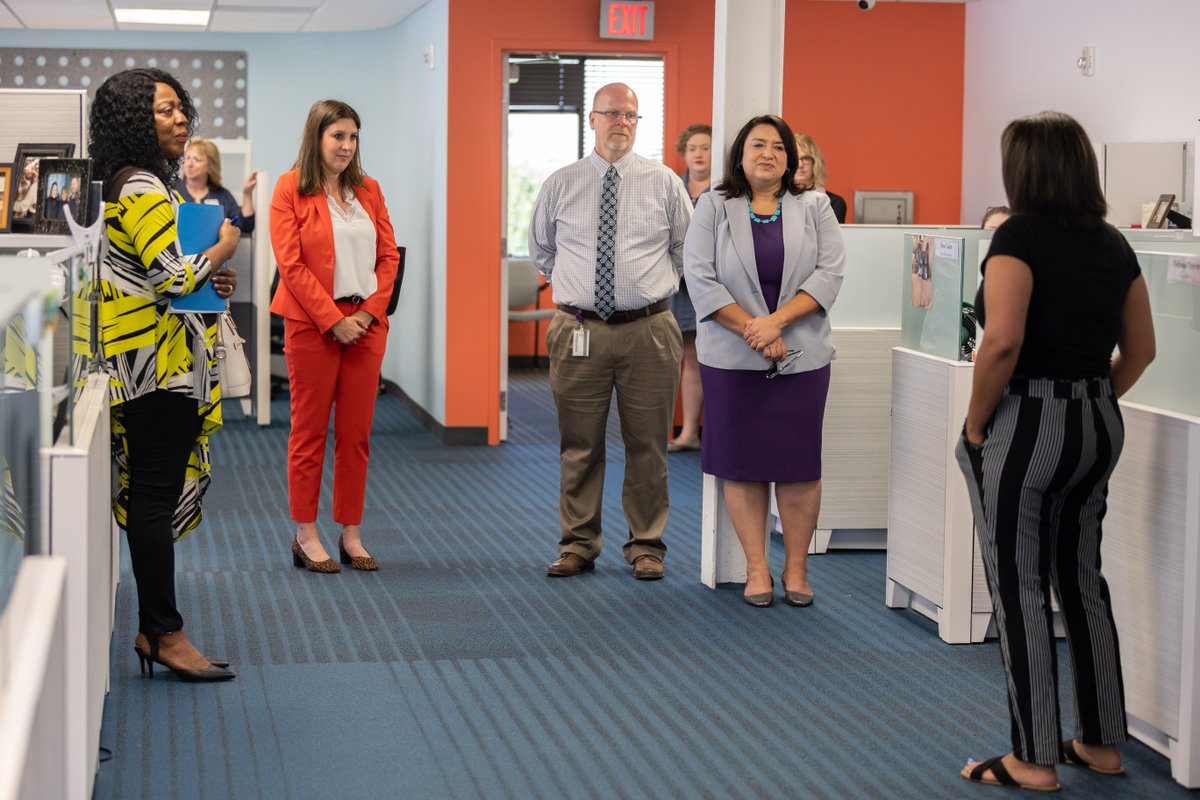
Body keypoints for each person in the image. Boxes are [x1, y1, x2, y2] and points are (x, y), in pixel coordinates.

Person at [956, 111, 1156, 791]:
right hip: (1099, 421)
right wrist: (1091, 398)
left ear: (1025, 169)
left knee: (1017, 586)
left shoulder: (1017, 237)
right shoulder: (1112, 243)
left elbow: (1002, 342)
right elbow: (1143, 350)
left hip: (1029, 420)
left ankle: (1032, 756)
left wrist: (977, 426)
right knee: (1081, 582)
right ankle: (1101, 742)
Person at [87, 67, 241, 682]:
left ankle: (160, 629)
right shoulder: (144, 186)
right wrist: (223, 251)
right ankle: (162, 633)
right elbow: (174, 278)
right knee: (153, 499)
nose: (181, 121)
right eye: (164, 111)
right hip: (158, 369)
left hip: (139, 362)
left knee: (148, 495)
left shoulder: (118, 182)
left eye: (182, 110)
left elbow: (158, 273)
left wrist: (211, 276)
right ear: (134, 120)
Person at [528, 83, 691, 581]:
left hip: (649, 328)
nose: (621, 122)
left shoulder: (664, 182)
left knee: (648, 444)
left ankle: (646, 547)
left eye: (631, 115)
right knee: (580, 444)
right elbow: (542, 251)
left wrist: (638, 291)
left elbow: (686, 252)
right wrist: (582, 294)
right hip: (579, 329)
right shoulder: (562, 182)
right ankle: (578, 544)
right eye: (612, 114)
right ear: (592, 120)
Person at [683, 115, 845, 607]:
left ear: (791, 159)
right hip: (732, 358)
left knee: (798, 466)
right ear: (740, 154)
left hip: (802, 354)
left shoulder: (815, 207)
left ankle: (796, 568)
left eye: (778, 147)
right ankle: (757, 569)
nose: (768, 154)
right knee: (743, 465)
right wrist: (755, 330)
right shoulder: (712, 206)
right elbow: (700, 277)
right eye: (758, 145)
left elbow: (830, 273)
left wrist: (776, 324)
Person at [270, 99, 399, 574]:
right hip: (312, 326)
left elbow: (389, 258)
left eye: (353, 137)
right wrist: (332, 319)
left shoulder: (369, 189)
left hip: (366, 326)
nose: (346, 146)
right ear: (317, 138)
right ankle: (305, 532)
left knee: (356, 434)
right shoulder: (290, 188)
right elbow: (292, 264)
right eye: (337, 136)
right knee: (309, 432)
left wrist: (367, 314)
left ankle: (351, 531)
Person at [668, 123, 712, 453]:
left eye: (705, 147)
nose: (698, 154)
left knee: (720, 360)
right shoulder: (673, 187)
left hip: (715, 287)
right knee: (691, 360)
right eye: (692, 148)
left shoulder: (725, 190)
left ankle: (717, 434)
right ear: (684, 153)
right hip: (680, 289)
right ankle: (688, 434)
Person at [177, 137, 257, 234]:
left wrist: (247, 193)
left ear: (210, 166)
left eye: (196, 159)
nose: (189, 164)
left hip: (218, 249)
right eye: (187, 158)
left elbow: (246, 226)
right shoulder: (173, 191)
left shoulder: (222, 195)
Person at [793, 133, 847, 224]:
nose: (800, 165)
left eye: (805, 159)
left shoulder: (834, 203)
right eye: (794, 159)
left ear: (815, 162)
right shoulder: (776, 201)